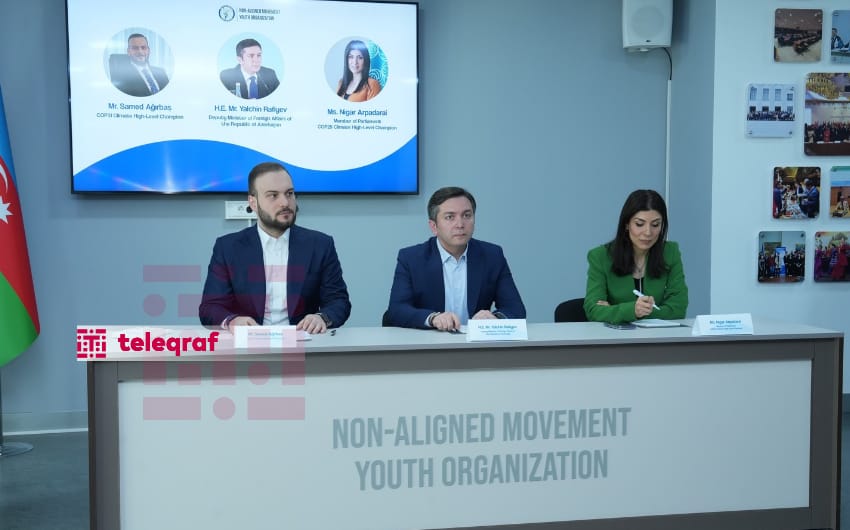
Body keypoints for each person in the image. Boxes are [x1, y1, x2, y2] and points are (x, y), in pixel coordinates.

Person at [199, 162, 351, 334]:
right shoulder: (228, 248)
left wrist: (322, 317)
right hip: (248, 344)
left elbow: (339, 301)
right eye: (273, 195)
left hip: (304, 342)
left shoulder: (320, 245)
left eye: (289, 193)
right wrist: (232, 321)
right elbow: (210, 307)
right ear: (253, 203)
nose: (285, 203)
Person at [386, 186, 526, 330]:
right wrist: (433, 318)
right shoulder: (411, 258)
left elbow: (516, 309)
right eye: (450, 217)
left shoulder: (492, 256)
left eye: (467, 215)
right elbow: (396, 310)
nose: (460, 224)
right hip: (429, 341)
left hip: (476, 341)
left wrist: (495, 318)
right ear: (434, 226)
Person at [584, 189, 688, 324]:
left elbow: (678, 309)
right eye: (639, 224)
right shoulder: (600, 256)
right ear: (627, 224)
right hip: (615, 336)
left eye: (655, 224)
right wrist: (633, 310)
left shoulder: (670, 252)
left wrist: (618, 312)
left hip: (658, 335)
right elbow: (592, 310)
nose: (648, 232)